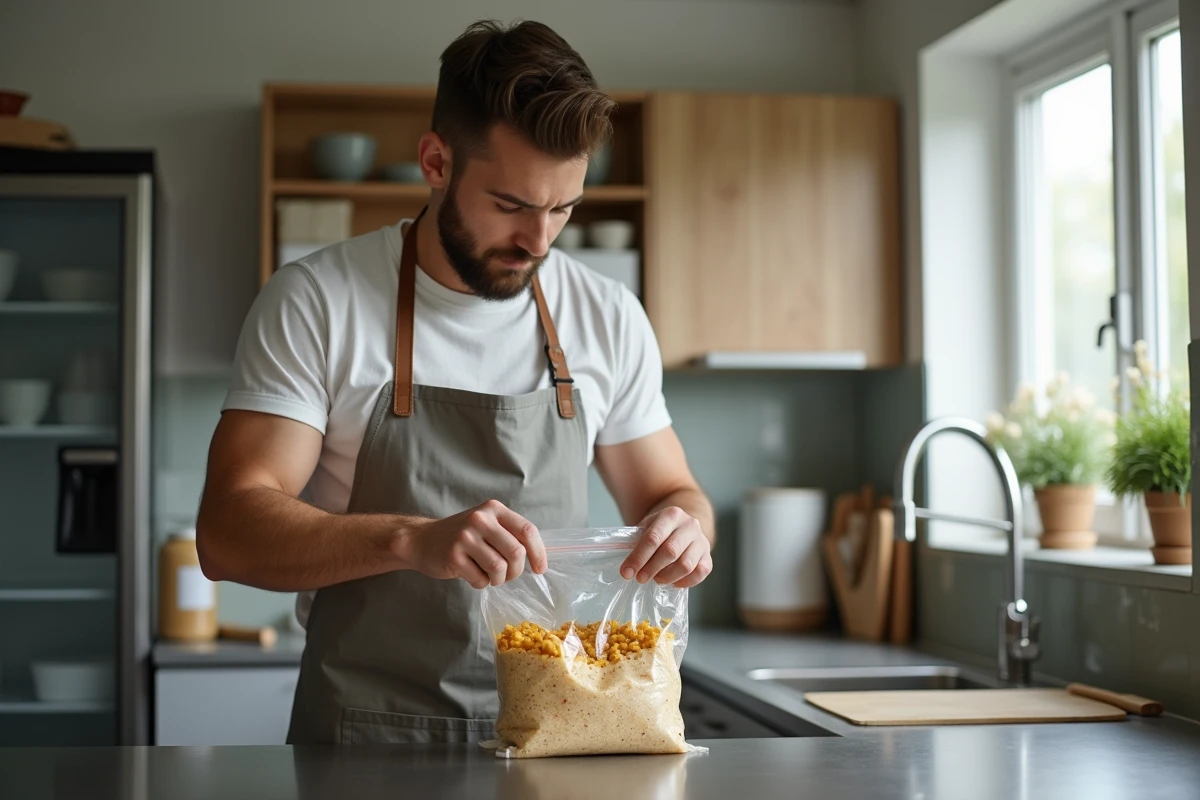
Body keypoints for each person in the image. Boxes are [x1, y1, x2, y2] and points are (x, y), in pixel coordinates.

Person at [196, 19, 714, 745]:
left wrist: (685, 529)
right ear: (436, 163)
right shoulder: (318, 300)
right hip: (363, 737)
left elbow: (673, 494)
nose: (539, 242)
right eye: (512, 206)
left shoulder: (607, 316)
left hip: (557, 727)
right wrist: (410, 539)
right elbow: (227, 532)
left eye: (563, 208)